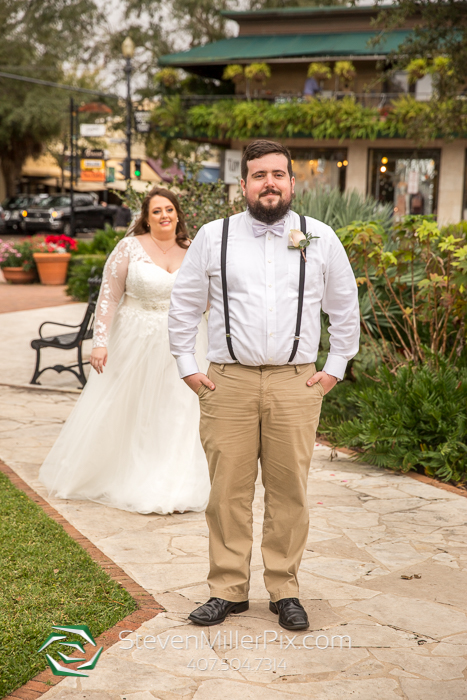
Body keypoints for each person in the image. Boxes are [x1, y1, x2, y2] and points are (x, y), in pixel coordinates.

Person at [168, 140, 360, 630]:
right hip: (226, 382)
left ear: (293, 183)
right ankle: (227, 590)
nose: (269, 183)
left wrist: (334, 367)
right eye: (259, 175)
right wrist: (187, 365)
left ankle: (284, 590)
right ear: (244, 184)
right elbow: (185, 303)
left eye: (278, 174)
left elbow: (344, 307)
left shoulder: (320, 236)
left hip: (295, 383)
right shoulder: (214, 236)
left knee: (289, 491)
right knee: (226, 492)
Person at [39, 187, 210, 514]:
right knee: (127, 407)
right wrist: (99, 342)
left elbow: (204, 299)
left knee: (176, 410)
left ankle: (172, 483)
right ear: (145, 217)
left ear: (178, 214)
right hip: (134, 338)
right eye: (157, 210)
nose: (164, 216)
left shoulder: (193, 250)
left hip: (181, 342)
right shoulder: (129, 247)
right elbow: (108, 298)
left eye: (169, 210)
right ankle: (119, 472)